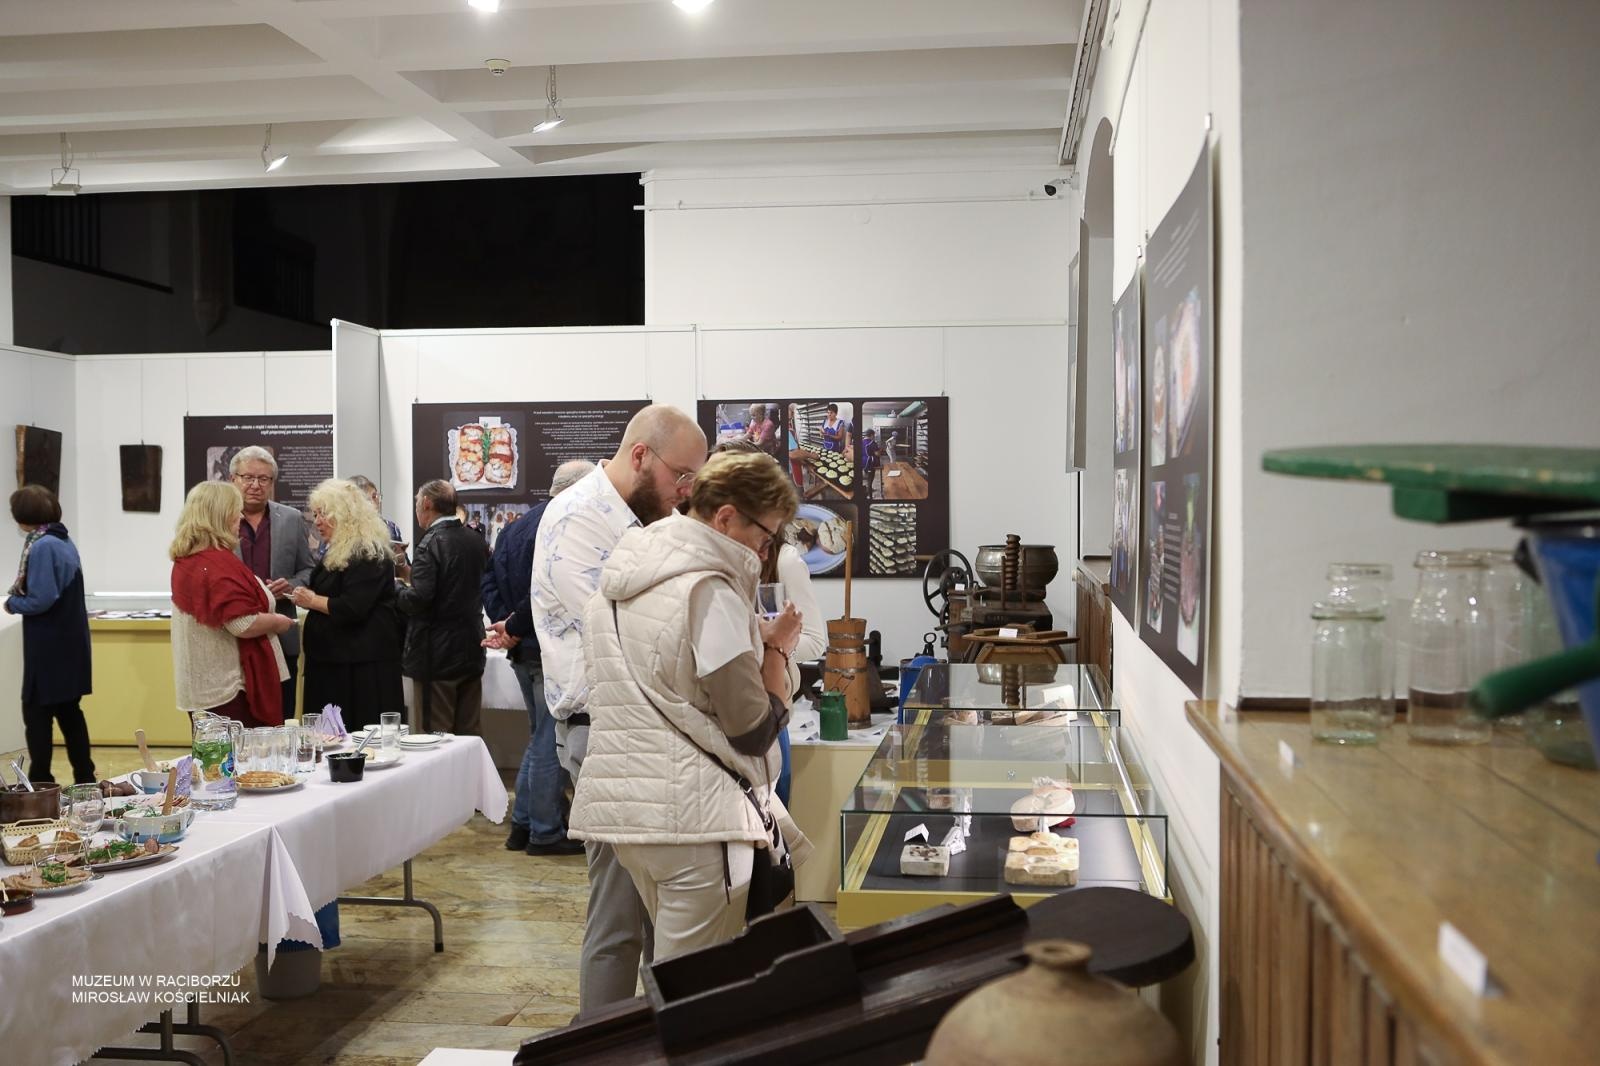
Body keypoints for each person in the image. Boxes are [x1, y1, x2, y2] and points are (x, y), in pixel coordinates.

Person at [569, 451, 813, 962]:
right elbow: (752, 729)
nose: (765, 551)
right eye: (765, 537)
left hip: (630, 812)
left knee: (668, 969)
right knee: (695, 983)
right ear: (725, 518)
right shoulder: (710, 589)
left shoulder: (626, 573)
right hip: (697, 822)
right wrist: (776, 650)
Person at [529, 404, 708, 1015]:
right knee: (619, 916)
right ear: (640, 456)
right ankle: (599, 1044)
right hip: (605, 733)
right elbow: (628, 628)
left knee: (665, 914)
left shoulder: (646, 518)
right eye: (681, 475)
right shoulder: (578, 517)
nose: (687, 491)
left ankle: (662, 1039)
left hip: (649, 731)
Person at [482, 460, 594, 857]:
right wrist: (514, 626)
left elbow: (489, 580)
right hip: (550, 649)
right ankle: (544, 831)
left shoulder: (515, 527)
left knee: (540, 738)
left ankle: (524, 824)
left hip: (523, 649)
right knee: (550, 742)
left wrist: (507, 626)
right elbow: (549, 591)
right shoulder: (566, 525)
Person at [710, 440, 825, 805]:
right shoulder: (703, 561)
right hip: (718, 720)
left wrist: (770, 644)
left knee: (771, 814)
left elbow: (815, 640)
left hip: (768, 710)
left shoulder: (785, 560)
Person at [169, 481, 292, 728]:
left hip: (205, 686)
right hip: (227, 689)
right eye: (236, 511)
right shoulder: (214, 564)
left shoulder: (190, 559)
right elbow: (242, 624)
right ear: (221, 516)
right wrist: (278, 622)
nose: (240, 518)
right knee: (236, 753)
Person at [289, 479, 404, 732]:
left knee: (358, 733)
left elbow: (354, 607)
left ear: (344, 513)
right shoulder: (339, 550)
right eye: (315, 515)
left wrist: (311, 600)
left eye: (323, 514)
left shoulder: (367, 551)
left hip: (359, 667)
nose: (317, 522)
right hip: (335, 661)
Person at [4, 485, 94, 784]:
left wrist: (11, 603)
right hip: (67, 642)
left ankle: (40, 781)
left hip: (51, 645)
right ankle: (85, 778)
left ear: (23, 515)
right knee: (69, 712)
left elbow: (41, 599)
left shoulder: (43, 545)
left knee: (37, 714)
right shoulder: (61, 539)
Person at [229, 446, 315, 719]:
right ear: (233, 479)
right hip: (233, 637)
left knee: (282, 717)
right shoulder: (219, 520)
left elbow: (309, 570)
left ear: (272, 483)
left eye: (263, 479)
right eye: (248, 477)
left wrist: (290, 586)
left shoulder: (291, 519)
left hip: (281, 635)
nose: (255, 485)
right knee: (239, 721)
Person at [398, 480, 489, 735]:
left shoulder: (430, 543)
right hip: (472, 647)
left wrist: (395, 590)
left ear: (427, 503)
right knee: (469, 733)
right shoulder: (476, 541)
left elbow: (420, 598)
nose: (416, 507)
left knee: (435, 737)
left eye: (417, 501)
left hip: (436, 655)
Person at [860, 429, 881, 500]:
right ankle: (869, 496)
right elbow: (877, 454)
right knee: (870, 479)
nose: (874, 436)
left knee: (866, 478)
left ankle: (869, 489)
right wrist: (880, 450)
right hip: (869, 463)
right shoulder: (872, 443)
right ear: (871, 435)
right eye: (874, 435)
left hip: (862, 461)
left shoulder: (861, 441)